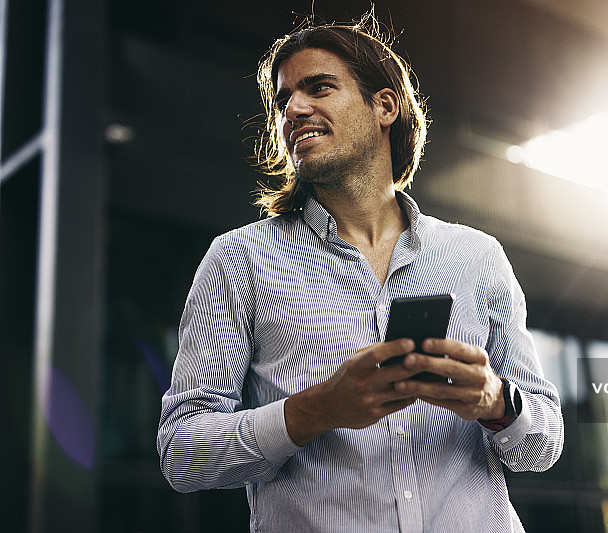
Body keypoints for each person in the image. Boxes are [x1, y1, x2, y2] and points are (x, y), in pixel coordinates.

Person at [157, 14, 563, 533]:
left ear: (384, 106)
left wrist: (494, 401)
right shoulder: (240, 260)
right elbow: (182, 454)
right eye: (283, 101)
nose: (294, 110)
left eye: (319, 87)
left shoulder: (476, 257)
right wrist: (317, 410)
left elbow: (543, 446)